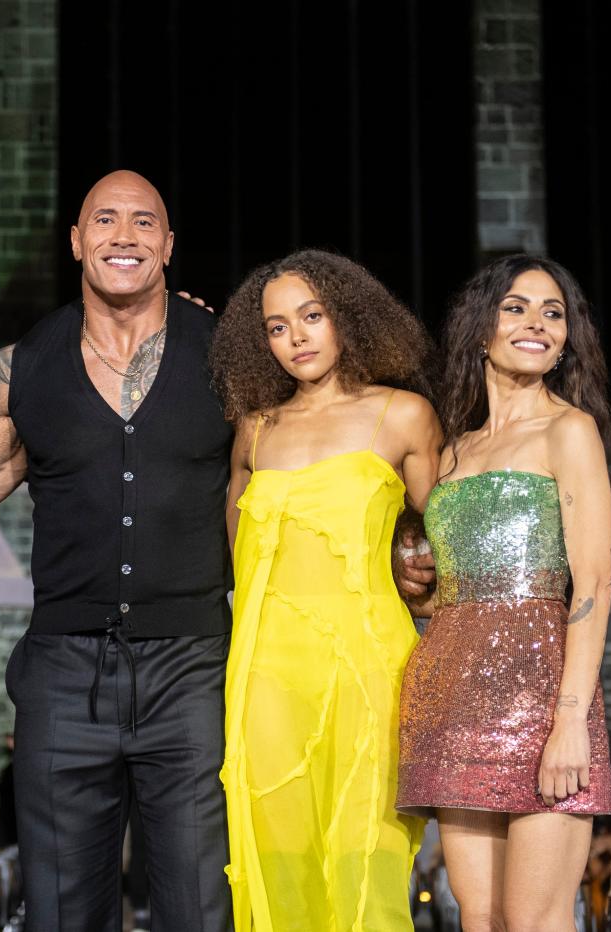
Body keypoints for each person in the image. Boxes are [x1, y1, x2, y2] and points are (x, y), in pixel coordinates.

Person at [0, 170, 237, 931]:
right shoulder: (22, 369)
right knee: (60, 911)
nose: (124, 236)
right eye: (104, 220)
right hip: (63, 671)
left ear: (169, 245)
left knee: (200, 904)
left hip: (193, 669)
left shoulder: (228, 355)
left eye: (144, 222)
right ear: (76, 241)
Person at [210, 249, 441, 931]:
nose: (297, 337)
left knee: (364, 861)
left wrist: (419, 583)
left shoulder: (403, 416)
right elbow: (241, 549)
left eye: (312, 316)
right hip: (267, 683)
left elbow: (447, 546)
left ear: (349, 318)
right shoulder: (256, 427)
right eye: (277, 327)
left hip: (370, 676)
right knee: (278, 861)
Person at [395, 255, 611, 931]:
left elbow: (595, 580)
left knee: (534, 921)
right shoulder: (453, 453)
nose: (538, 323)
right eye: (517, 306)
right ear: (481, 326)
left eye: (554, 313)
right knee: (481, 919)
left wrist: (570, 721)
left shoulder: (567, 430)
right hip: (452, 705)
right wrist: (414, 590)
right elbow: (453, 589)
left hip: (545, 707)